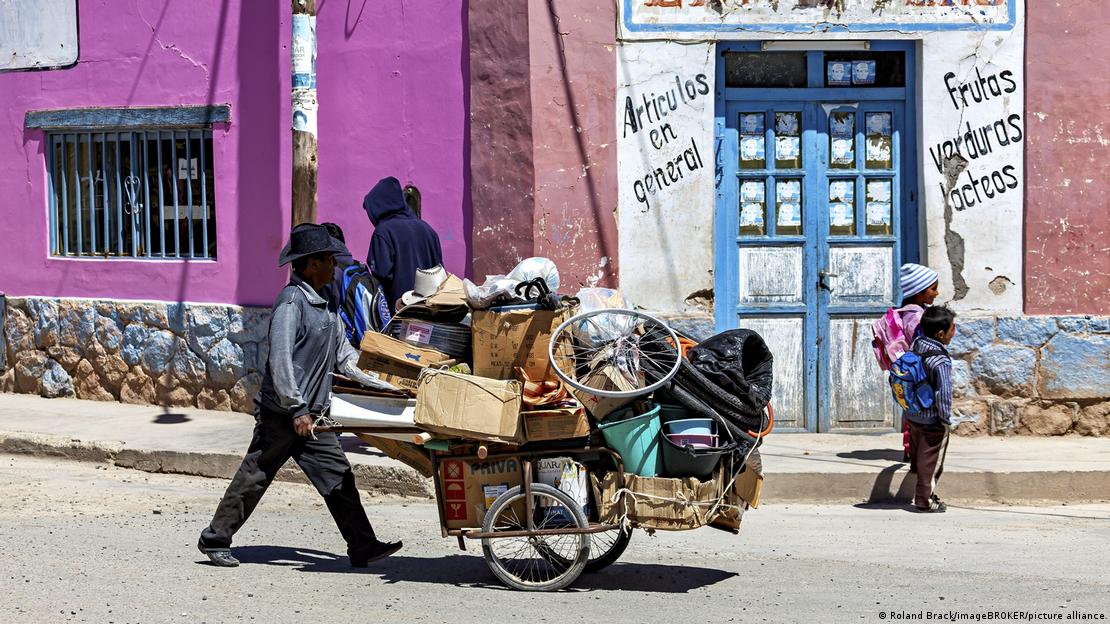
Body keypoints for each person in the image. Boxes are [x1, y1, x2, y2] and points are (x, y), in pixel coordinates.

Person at [197, 223, 402, 568]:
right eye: (328, 260)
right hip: (285, 414)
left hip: (311, 416)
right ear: (309, 264)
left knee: (338, 476)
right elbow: (280, 361)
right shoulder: (291, 302)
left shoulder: (327, 304)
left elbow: (346, 359)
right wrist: (297, 408)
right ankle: (214, 539)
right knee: (255, 474)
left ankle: (362, 545)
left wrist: (388, 388)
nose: (335, 266)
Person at [363, 176, 443, 313]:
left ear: (378, 207)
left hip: (400, 314)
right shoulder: (428, 230)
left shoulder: (383, 232)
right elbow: (440, 273)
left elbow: (381, 275)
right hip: (431, 314)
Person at [906, 305, 957, 513]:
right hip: (932, 419)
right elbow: (943, 394)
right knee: (932, 462)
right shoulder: (941, 361)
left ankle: (920, 488)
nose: (955, 332)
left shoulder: (916, 345)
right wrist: (945, 420)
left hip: (913, 413)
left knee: (920, 455)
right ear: (941, 334)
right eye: (953, 329)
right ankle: (924, 500)